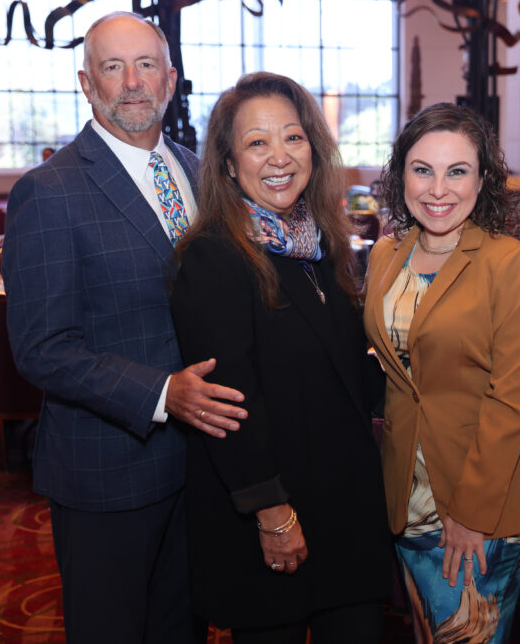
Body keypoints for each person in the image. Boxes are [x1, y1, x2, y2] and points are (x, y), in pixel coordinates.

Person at [3, 12, 246, 643]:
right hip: (107, 473)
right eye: (113, 67)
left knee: (182, 630)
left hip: (200, 470)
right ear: (87, 83)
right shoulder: (48, 191)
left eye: (145, 66)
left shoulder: (201, 174)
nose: (132, 82)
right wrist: (163, 394)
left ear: (171, 80)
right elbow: (41, 349)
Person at [169, 72, 392, 643]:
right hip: (275, 516)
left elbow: (340, 368)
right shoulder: (214, 257)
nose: (279, 157)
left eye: (292, 137)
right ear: (226, 163)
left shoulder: (319, 246)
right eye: (256, 142)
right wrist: (273, 515)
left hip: (341, 506)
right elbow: (229, 407)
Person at [363, 102, 520, 644]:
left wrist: (470, 513)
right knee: (428, 633)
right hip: (405, 493)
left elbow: (512, 396)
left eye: (457, 171)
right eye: (422, 169)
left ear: (483, 179)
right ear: (401, 176)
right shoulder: (386, 256)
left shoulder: (507, 262)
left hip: (480, 501)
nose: (438, 189)